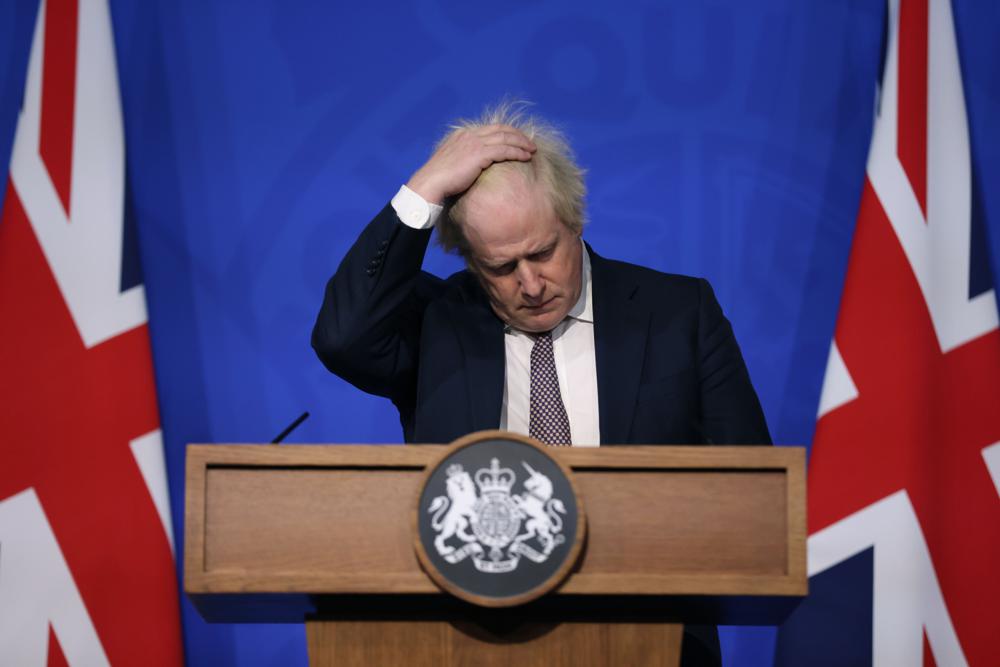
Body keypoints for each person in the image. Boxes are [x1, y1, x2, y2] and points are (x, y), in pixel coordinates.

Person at [312, 102, 771, 665]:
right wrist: (424, 189)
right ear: (472, 264)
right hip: (468, 644)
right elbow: (342, 338)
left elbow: (752, 490)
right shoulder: (440, 326)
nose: (530, 284)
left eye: (544, 252)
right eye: (501, 268)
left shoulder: (677, 314)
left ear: (575, 222)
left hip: (648, 640)